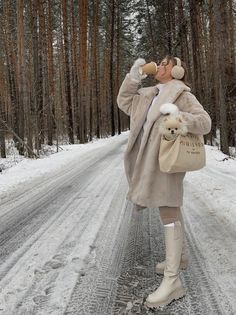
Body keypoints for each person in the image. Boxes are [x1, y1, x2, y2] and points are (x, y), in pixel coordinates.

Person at [117, 56, 211, 309]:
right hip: (147, 162)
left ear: (177, 71)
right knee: (170, 208)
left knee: (168, 212)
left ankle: (173, 281)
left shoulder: (182, 94)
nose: (159, 66)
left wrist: (179, 118)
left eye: (166, 64)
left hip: (167, 162)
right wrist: (135, 75)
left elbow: (205, 122)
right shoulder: (149, 94)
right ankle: (178, 259)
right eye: (159, 63)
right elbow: (124, 101)